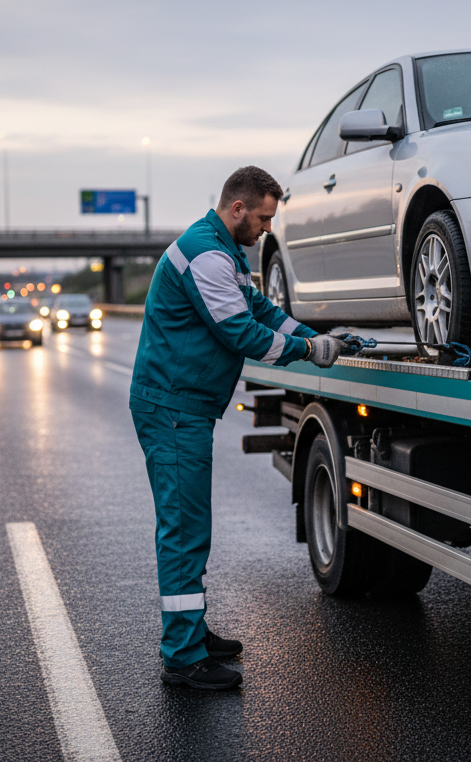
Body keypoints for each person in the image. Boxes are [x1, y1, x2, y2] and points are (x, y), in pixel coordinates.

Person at [129, 165, 342, 690]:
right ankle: (183, 657)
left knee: (190, 527)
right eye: (264, 219)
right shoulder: (206, 253)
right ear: (238, 208)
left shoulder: (222, 250)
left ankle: (192, 632)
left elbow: (259, 309)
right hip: (173, 408)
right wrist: (308, 350)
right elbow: (240, 332)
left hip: (183, 406)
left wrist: (314, 335)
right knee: (183, 531)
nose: (268, 229)